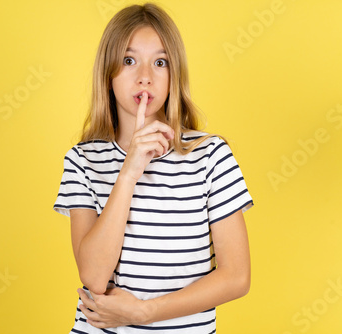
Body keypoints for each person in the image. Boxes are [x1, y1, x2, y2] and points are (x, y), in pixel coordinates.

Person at [53, 3, 254, 333]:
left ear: (174, 75)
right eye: (129, 60)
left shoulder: (211, 156)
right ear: (108, 73)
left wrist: (144, 313)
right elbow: (93, 275)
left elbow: (236, 277)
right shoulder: (83, 161)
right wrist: (129, 171)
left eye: (160, 62)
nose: (144, 77)